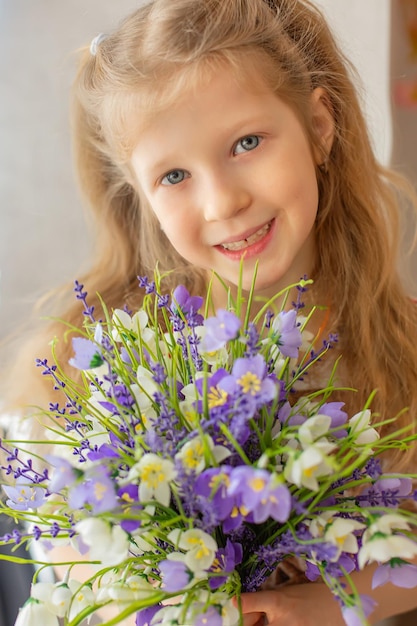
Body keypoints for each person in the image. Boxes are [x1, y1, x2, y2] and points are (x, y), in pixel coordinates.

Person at [3, 0, 417, 624]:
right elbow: (66, 560)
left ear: (320, 124)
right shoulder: (78, 364)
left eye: (247, 142)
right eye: (174, 175)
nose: (223, 201)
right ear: (140, 193)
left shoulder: (402, 351)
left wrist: (337, 602)